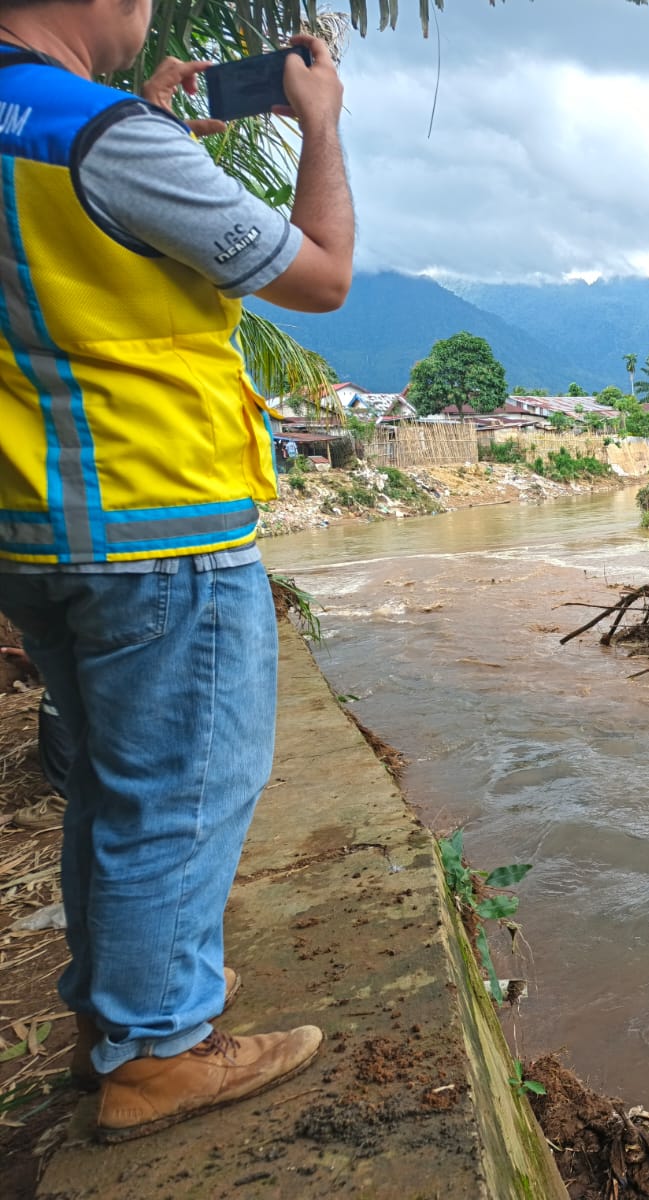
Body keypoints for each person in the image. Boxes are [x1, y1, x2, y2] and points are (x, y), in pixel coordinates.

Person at [0, 0, 353, 1144]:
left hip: (35, 515)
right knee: (187, 788)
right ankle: (158, 1050)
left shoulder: (62, 132)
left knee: (112, 779)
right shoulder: (98, 136)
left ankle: (129, 1006)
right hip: (157, 520)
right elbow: (322, 277)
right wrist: (321, 127)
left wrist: (140, 128)